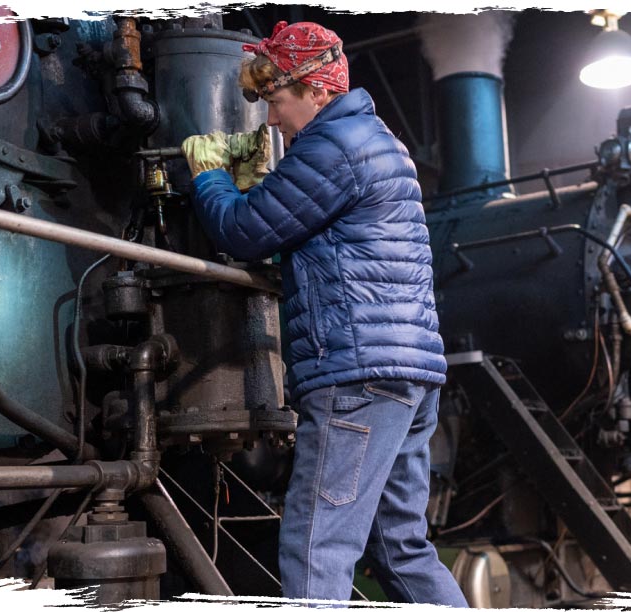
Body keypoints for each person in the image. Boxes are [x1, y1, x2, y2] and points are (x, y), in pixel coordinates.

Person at [181, 21, 468, 607]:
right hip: (407, 376)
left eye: (277, 101)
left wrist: (208, 173)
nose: (271, 119)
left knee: (317, 546)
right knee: (399, 548)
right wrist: (259, 184)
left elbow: (245, 230)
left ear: (314, 89)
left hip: (357, 377)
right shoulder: (374, 138)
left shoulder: (333, 145)